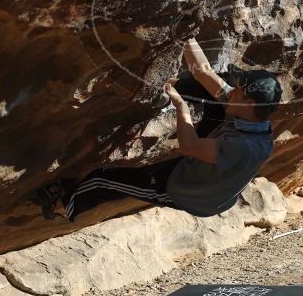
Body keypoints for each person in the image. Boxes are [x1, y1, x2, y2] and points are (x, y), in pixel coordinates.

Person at [36, 37, 282, 222]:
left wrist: (181, 107)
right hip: (211, 164)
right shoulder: (249, 113)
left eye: (239, 89)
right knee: (214, 89)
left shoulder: (245, 146)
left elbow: (190, 146)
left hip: (191, 192)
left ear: (249, 104)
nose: (234, 89)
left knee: (103, 179)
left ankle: (61, 204)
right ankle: (172, 86)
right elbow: (204, 72)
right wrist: (186, 34)